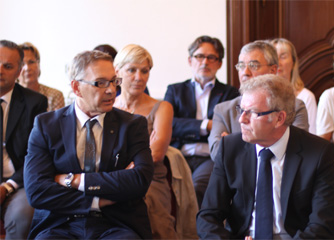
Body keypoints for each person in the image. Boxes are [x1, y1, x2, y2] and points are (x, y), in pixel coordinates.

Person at [24, 50, 154, 239]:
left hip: (116, 223)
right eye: (100, 83)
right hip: (60, 223)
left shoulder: (133, 125)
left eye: (113, 81)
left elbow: (139, 181)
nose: (111, 90)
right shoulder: (46, 125)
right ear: (76, 88)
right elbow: (37, 191)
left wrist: (74, 180)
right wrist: (98, 201)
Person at [197, 74, 334, 239]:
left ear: (279, 118)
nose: (241, 119)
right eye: (241, 110)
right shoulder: (230, 148)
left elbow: (323, 225)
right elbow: (207, 217)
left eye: (252, 113)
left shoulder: (318, 153)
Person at [113, 44, 196, 239]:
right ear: (117, 71)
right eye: (132, 70)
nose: (139, 77)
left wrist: (122, 162)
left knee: (152, 210)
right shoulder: (107, 106)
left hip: (150, 179)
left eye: (145, 71)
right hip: (112, 176)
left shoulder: (162, 107)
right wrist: (138, 152)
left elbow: (156, 154)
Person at [164, 35, 239, 207]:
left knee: (197, 188)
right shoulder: (175, 90)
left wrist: (186, 125)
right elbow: (169, 124)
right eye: (199, 56)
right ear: (190, 60)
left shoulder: (230, 93)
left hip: (209, 157)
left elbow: (227, 129)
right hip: (178, 155)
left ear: (219, 63)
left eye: (211, 57)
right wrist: (207, 125)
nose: (205, 62)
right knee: (169, 189)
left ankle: (195, 233)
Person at [208, 40, 310, 161]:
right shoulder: (223, 110)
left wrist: (232, 141)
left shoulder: (295, 107)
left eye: (253, 66)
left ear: (273, 70)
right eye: (241, 66)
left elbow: (298, 148)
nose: (245, 72)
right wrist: (270, 140)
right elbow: (217, 154)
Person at [0, 40, 47, 239]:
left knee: (23, 214)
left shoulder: (34, 103)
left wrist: (7, 186)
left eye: (7, 66)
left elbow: (35, 156)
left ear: (19, 71)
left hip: (19, 182)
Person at [271, 38, 317, 134]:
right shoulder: (261, 97)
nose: (278, 63)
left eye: (283, 57)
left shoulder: (306, 97)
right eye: (274, 58)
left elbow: (312, 135)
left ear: (293, 62)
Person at [18, 42, 65, 111]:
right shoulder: (9, 96)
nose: (27, 68)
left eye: (31, 62)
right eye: (22, 64)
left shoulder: (54, 96)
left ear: (38, 64)